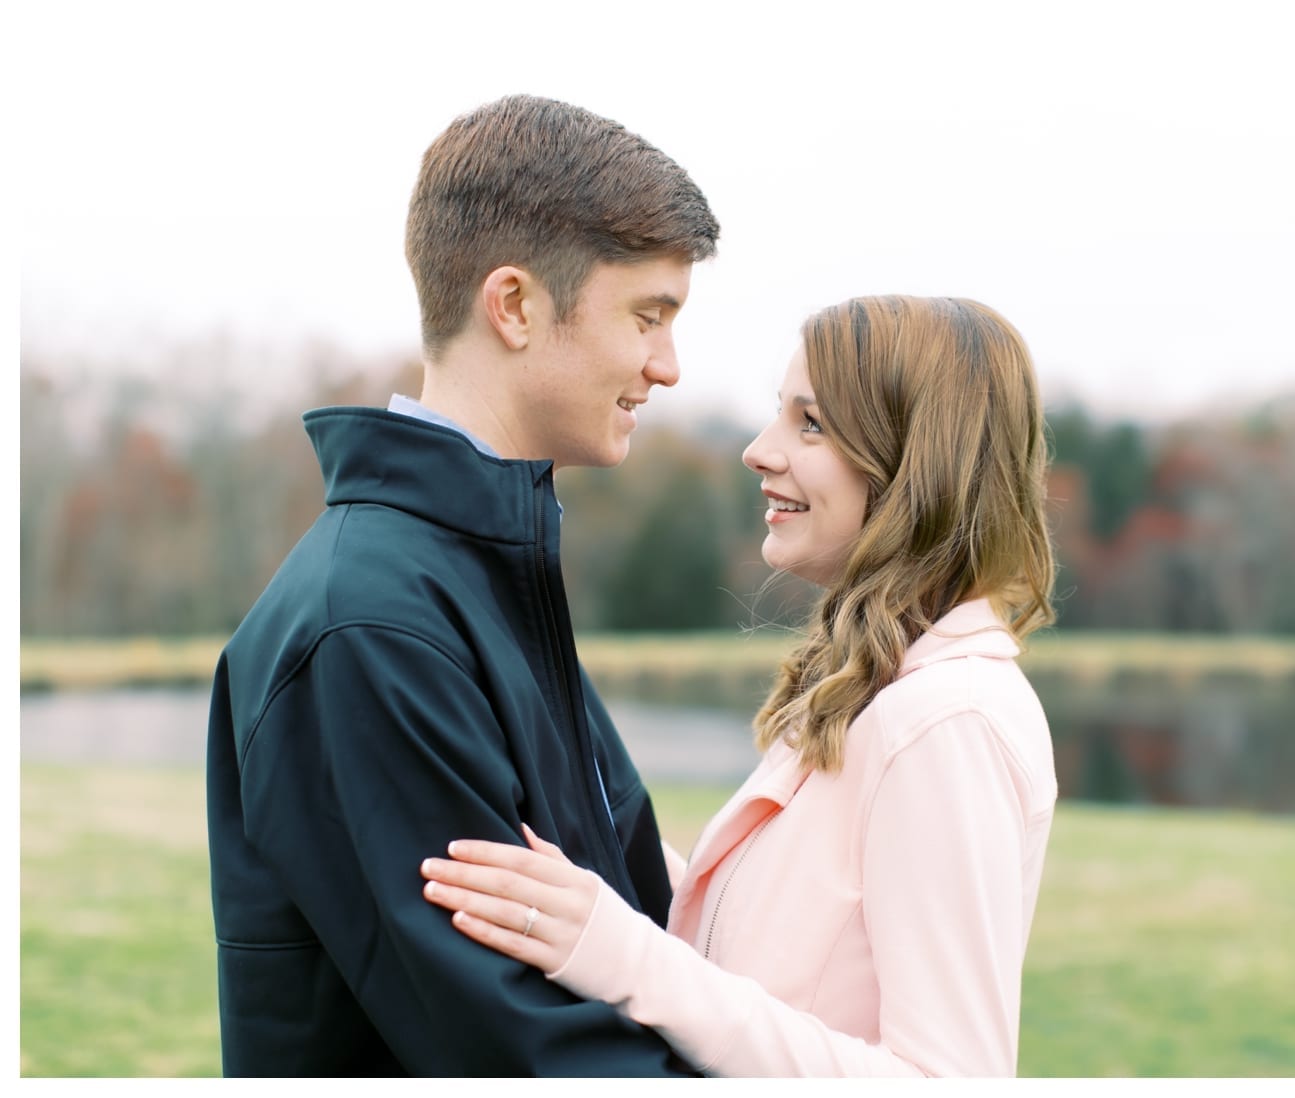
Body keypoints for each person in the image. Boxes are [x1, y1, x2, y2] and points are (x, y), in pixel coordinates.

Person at [206, 94, 719, 1076]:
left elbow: (638, 939)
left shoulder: (480, 579)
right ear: (516, 305)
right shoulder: (367, 627)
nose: (668, 366)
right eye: (647, 317)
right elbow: (529, 1056)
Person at [419, 294, 1060, 1077]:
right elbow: (793, 963)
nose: (759, 450)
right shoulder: (877, 690)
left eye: (811, 424)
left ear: (915, 461)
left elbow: (942, 1083)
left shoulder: (947, 722)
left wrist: (622, 955)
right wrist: (596, 856)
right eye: (777, 416)